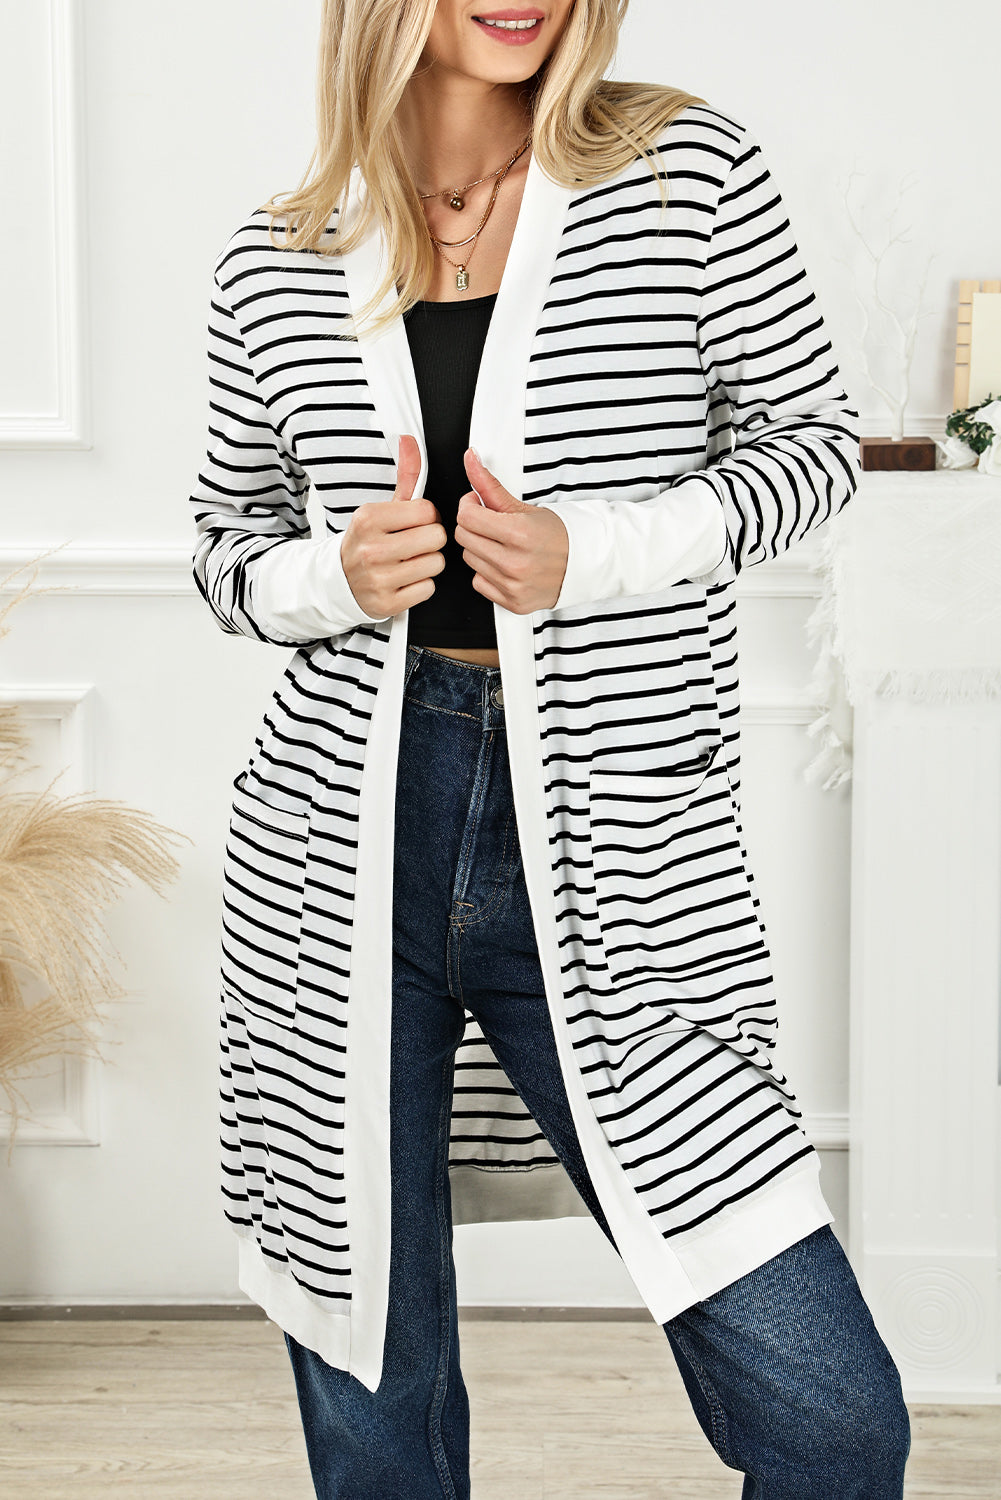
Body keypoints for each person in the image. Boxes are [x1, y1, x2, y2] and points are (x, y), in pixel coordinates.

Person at [189, 1, 912, 1495]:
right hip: (337, 850)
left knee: (830, 1416)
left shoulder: (684, 174)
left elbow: (813, 449)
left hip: (616, 836)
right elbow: (222, 546)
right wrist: (336, 575)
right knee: (376, 1400)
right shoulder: (281, 254)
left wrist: (595, 551)